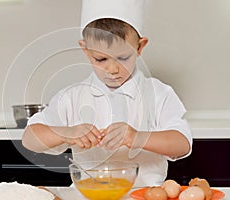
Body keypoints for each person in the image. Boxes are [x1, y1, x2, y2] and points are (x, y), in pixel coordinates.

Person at [22, 0, 192, 187]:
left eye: (123, 58)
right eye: (101, 59)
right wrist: (66, 133)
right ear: (86, 50)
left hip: (145, 194)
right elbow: (30, 138)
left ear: (139, 47)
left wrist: (136, 137)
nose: (112, 69)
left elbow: (182, 144)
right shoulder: (72, 97)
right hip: (87, 195)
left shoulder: (159, 94)